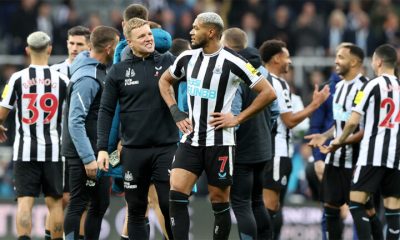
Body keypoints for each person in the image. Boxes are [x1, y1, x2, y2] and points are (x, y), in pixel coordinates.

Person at [158, 12, 277, 240]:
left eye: (196, 28)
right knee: (175, 194)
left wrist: (237, 118)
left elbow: (268, 93)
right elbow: (164, 80)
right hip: (191, 140)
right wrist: (175, 111)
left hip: (220, 143)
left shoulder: (234, 61)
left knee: (219, 201)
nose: (191, 32)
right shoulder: (187, 57)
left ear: (211, 32)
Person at [96, 18, 177, 240]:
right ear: (129, 42)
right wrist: (103, 148)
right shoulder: (118, 72)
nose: (148, 39)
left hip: (166, 148)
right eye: (141, 36)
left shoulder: (170, 62)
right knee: (136, 211)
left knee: (169, 205)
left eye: (149, 34)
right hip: (133, 151)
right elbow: (106, 111)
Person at [306, 44, 383, 239]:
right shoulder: (337, 88)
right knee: (330, 209)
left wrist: (342, 142)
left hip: (357, 162)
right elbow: (340, 125)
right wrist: (325, 136)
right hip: (335, 160)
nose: (335, 61)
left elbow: (366, 129)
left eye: (340, 57)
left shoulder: (367, 87)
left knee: (367, 211)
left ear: (354, 61)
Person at [326, 44, 400, 240]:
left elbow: (352, 121)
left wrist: (338, 141)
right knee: (393, 209)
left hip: (372, 155)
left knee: (356, 203)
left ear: (378, 62)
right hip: (396, 157)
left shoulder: (372, 85)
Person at [259, 39, 330, 239]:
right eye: (287, 57)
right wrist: (314, 105)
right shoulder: (278, 84)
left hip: (260, 150)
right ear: (276, 58)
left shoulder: (256, 79)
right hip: (275, 152)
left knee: (262, 206)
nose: (290, 62)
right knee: (270, 207)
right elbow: (289, 121)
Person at [0, 31, 68, 240]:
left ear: (27, 50)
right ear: (49, 49)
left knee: (25, 201)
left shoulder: (17, 79)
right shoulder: (64, 80)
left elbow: (2, 113)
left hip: (25, 151)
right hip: (54, 151)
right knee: (55, 203)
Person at [62, 26, 120, 240]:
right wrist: (88, 158)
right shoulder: (88, 77)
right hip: (83, 154)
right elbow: (75, 121)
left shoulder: (95, 66)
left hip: (98, 152)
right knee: (78, 204)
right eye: (116, 44)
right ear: (108, 48)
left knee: (100, 203)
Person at [221, 27, 277, 239]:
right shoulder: (263, 72)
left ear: (227, 46)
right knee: (257, 201)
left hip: (243, 148)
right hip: (263, 147)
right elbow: (275, 112)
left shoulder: (236, 71)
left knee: (241, 204)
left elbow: (233, 116)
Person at [46, 25, 90, 240]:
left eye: (79, 44)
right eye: (71, 43)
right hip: (57, 144)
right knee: (59, 198)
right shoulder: (54, 72)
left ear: (89, 46)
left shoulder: (94, 71)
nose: (74, 48)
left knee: (80, 199)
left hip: (82, 145)